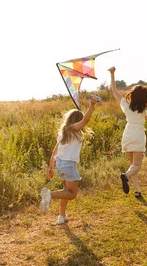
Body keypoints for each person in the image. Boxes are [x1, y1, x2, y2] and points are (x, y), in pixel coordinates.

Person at [108, 66, 147, 198]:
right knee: (136, 166)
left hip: (127, 135)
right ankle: (125, 176)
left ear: (133, 94)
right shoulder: (145, 109)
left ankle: (137, 190)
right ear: (145, 97)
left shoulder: (126, 105)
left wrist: (112, 74)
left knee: (133, 166)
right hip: (138, 136)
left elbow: (114, 90)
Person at [40, 96, 97, 224]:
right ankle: (49, 195)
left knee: (65, 191)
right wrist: (92, 105)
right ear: (77, 121)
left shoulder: (63, 133)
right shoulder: (73, 130)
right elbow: (86, 120)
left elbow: (55, 152)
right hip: (68, 165)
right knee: (72, 194)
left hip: (60, 163)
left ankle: (62, 215)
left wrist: (51, 167)